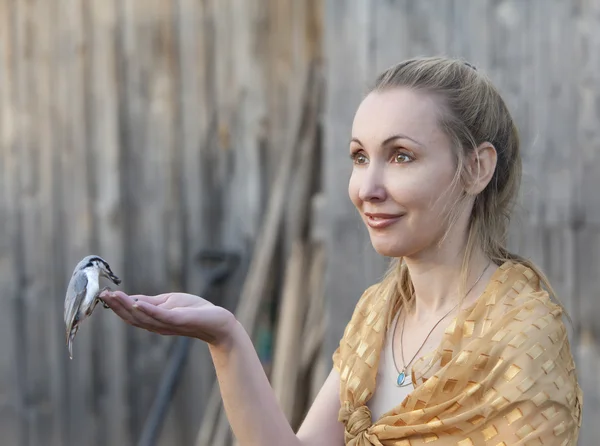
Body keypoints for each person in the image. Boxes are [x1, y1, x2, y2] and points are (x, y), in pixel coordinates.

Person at [101, 56, 583, 445]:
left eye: (401, 156)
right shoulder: (378, 315)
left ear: (476, 169)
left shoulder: (521, 337)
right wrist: (225, 338)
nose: (366, 188)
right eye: (359, 157)